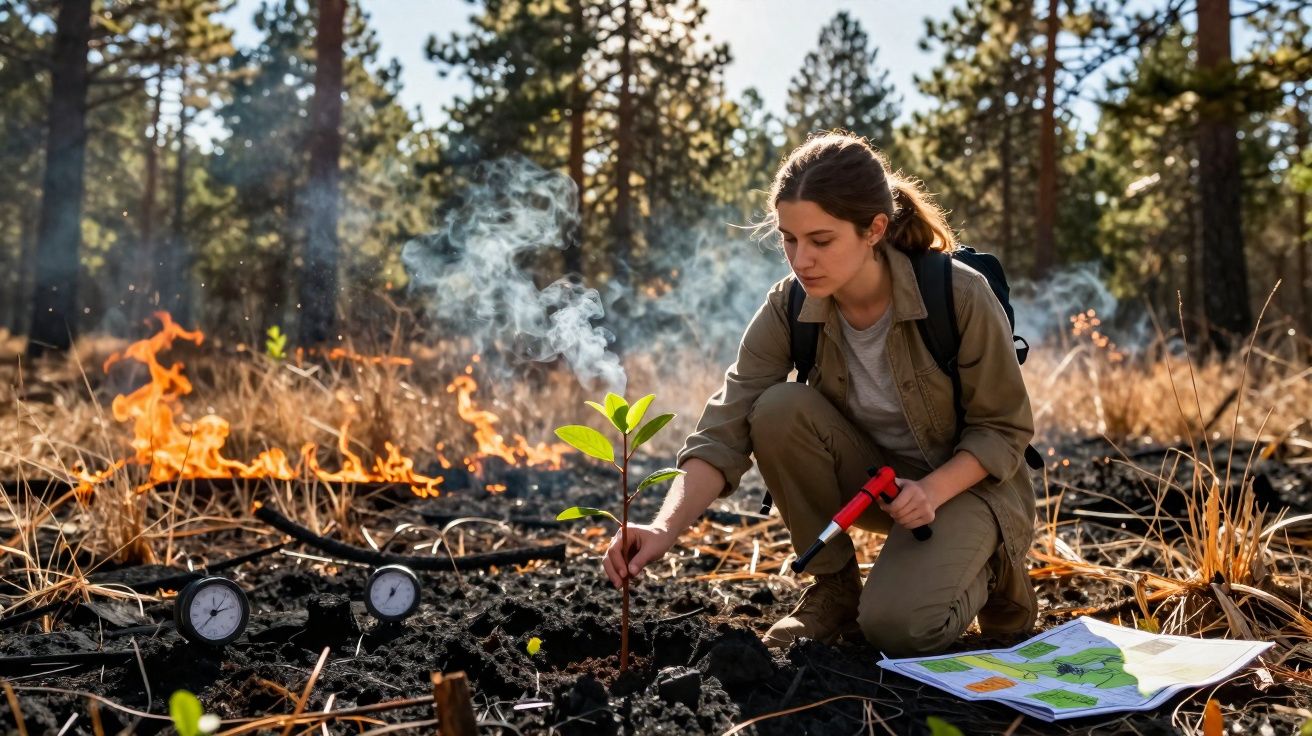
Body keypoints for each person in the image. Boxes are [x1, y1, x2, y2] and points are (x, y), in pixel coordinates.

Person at [601, 131, 1038, 657]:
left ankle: (994, 567)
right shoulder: (790, 305)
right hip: (878, 488)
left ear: (874, 228)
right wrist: (660, 528)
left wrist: (933, 491)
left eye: (821, 241)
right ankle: (834, 589)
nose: (800, 259)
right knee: (777, 409)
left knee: (898, 630)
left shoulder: (959, 293)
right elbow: (724, 427)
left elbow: (1003, 429)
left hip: (965, 487)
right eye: (789, 239)